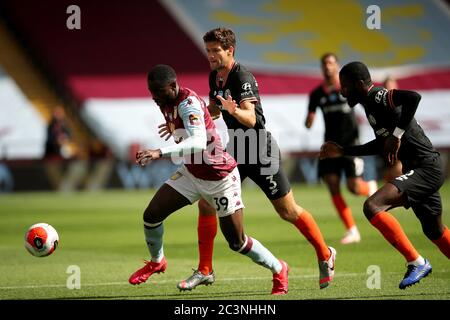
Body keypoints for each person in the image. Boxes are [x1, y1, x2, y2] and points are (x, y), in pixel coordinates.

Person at [171, 27, 336, 291]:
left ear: (230, 51)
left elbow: (250, 117)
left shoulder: (242, 76)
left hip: (259, 149)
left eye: (216, 51)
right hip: (236, 149)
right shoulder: (216, 76)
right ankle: (205, 269)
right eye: (208, 51)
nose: (211, 56)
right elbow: (213, 109)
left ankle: (325, 255)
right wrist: (190, 118)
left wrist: (232, 109)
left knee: (287, 211)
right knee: (206, 204)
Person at [128, 64, 289, 295]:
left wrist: (158, 152)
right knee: (151, 216)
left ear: (173, 86)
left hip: (220, 177)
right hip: (192, 174)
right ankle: (157, 261)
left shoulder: (188, 103)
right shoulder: (167, 102)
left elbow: (198, 142)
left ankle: (279, 268)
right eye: (152, 92)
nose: (155, 97)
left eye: (159, 92)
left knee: (237, 242)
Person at [320, 61, 450, 289]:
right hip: (421, 169)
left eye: (346, 86)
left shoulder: (376, 96)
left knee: (372, 206)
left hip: (426, 168)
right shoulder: (370, 107)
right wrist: (343, 151)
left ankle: (416, 262)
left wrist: (397, 135)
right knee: (434, 230)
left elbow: (413, 98)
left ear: (360, 85)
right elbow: (382, 143)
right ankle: (418, 261)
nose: (342, 91)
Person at [305, 53, 377, 244]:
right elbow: (309, 119)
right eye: (324, 64)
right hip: (330, 145)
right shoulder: (317, 94)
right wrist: (309, 120)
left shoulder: (349, 89)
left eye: (331, 63)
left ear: (337, 66)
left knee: (353, 187)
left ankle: (369, 186)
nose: (328, 67)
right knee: (332, 184)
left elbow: (366, 105)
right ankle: (352, 230)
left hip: (350, 144)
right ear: (322, 68)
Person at [381, 76, 403, 181]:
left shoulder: (402, 106)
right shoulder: (381, 108)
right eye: (386, 87)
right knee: (389, 177)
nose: (388, 90)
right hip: (387, 146)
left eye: (390, 86)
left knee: (397, 173)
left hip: (401, 145)